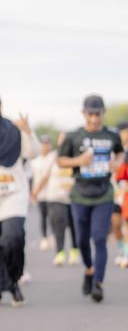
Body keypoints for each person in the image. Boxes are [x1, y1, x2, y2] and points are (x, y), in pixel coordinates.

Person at [0, 91, 40, 307]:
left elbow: (33, 153)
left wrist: (27, 131)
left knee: (12, 239)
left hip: (13, 196)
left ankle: (14, 281)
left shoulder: (14, 129)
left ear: (0, 105)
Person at [58, 95, 124, 302]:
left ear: (103, 113)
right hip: (80, 194)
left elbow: (120, 153)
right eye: (91, 114)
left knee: (100, 238)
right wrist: (79, 160)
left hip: (104, 194)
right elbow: (60, 160)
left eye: (98, 114)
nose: (94, 118)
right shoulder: (74, 135)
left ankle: (98, 282)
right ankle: (89, 268)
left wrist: (117, 163)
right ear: (84, 113)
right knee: (82, 240)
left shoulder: (111, 135)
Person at [31, 133, 79, 266]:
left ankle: (74, 251)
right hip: (55, 197)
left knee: (74, 225)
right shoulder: (53, 157)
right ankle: (60, 253)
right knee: (59, 224)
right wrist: (35, 192)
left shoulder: (76, 156)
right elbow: (45, 176)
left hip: (73, 197)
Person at [31, 135, 54, 250]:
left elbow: (46, 176)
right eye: (43, 144)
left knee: (53, 216)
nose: (45, 146)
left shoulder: (53, 158)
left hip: (52, 193)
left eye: (47, 144)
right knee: (43, 216)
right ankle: (44, 237)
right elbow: (32, 178)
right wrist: (33, 193)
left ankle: (53, 235)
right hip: (40, 195)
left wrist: (35, 192)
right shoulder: (35, 161)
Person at [112, 122, 128, 266]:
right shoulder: (112, 150)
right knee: (116, 225)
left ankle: (127, 254)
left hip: (126, 193)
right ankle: (122, 250)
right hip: (114, 194)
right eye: (123, 132)